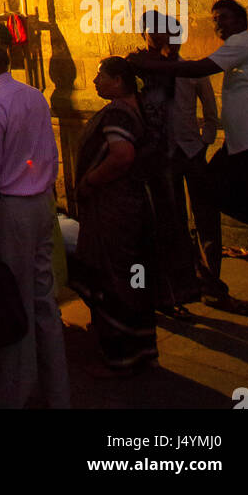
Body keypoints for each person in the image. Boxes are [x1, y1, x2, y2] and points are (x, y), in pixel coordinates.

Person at [132, 0, 248, 334]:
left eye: (223, 18)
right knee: (188, 212)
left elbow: (198, 77)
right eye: (214, 20)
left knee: (218, 215)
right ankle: (189, 284)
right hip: (232, 147)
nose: (218, 25)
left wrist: (205, 139)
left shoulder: (239, 46)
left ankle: (225, 288)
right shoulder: (232, 55)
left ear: (240, 20)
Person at [0, 36, 70, 408]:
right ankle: (58, 392)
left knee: (14, 303)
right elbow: (48, 152)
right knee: (44, 301)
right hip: (41, 204)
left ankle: (16, 393)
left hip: (12, 209)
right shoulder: (33, 95)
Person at [70, 57, 158, 376]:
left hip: (114, 207)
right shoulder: (140, 107)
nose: (94, 81)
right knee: (135, 278)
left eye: (101, 76)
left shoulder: (119, 111)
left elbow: (121, 156)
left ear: (119, 81)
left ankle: (120, 357)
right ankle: (143, 349)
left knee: (112, 278)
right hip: (133, 204)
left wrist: (90, 181)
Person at [128, 15, 201, 318]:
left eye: (166, 32)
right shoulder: (139, 60)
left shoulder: (169, 63)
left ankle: (174, 292)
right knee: (150, 227)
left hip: (166, 151)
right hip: (146, 153)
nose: (160, 36)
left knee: (172, 225)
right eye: (154, 31)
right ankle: (148, 293)